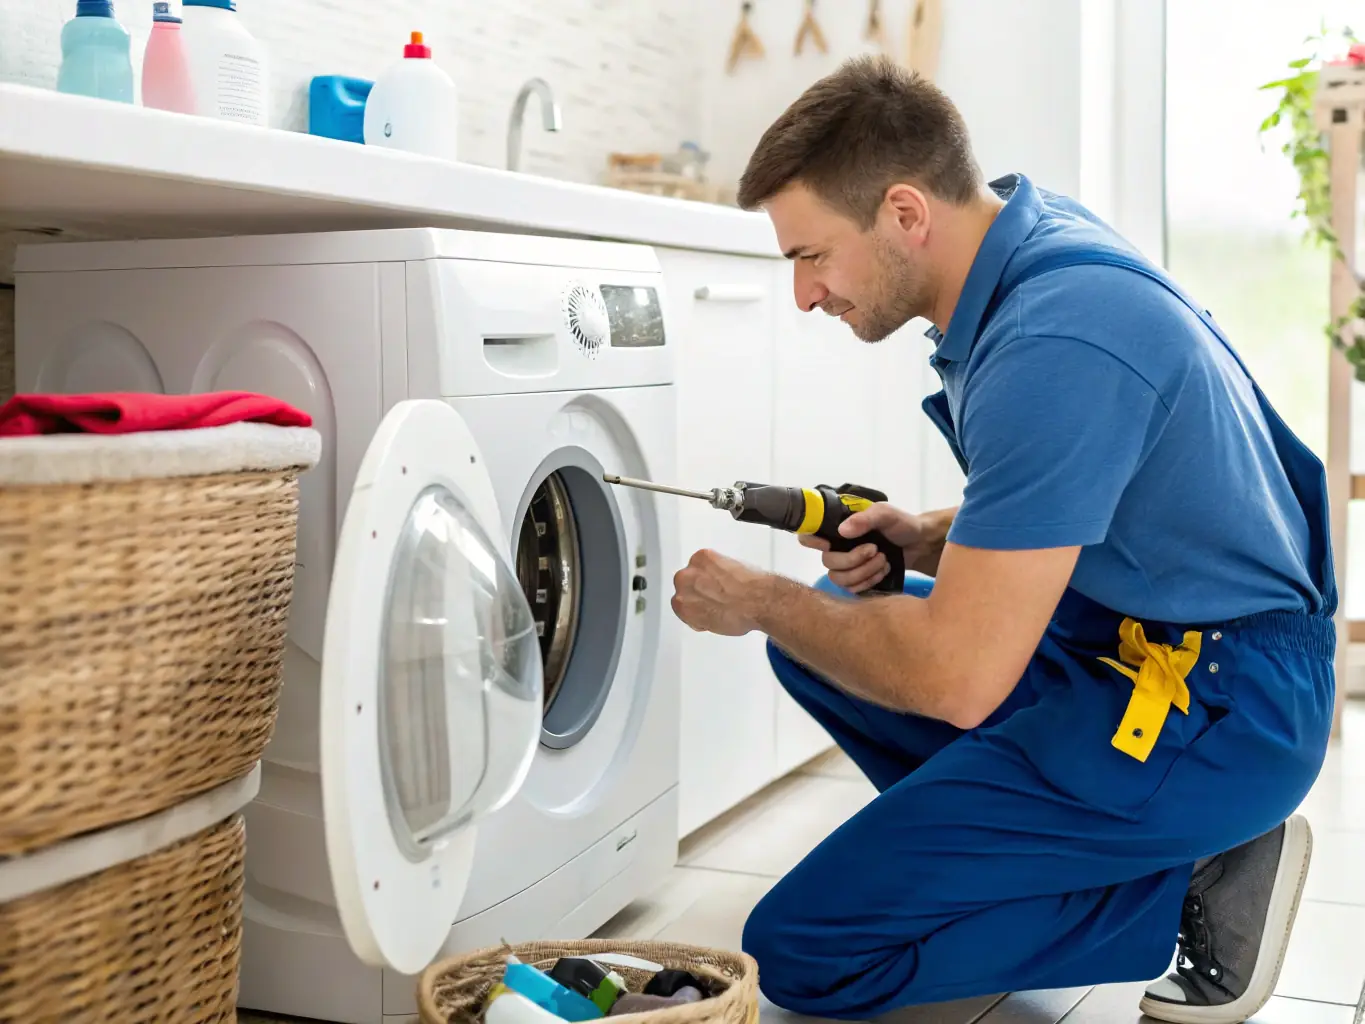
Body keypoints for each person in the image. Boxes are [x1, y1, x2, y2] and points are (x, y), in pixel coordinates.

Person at [668, 55, 1334, 1024]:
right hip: (1139, 647)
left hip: (1216, 708)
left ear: (904, 213)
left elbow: (957, 680)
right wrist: (927, 535)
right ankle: (1029, 852)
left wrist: (761, 598)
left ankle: (1189, 878)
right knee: (837, 623)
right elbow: (1114, 504)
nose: (805, 295)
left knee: (803, 953)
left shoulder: (1057, 338)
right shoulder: (1029, 249)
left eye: (810, 255)